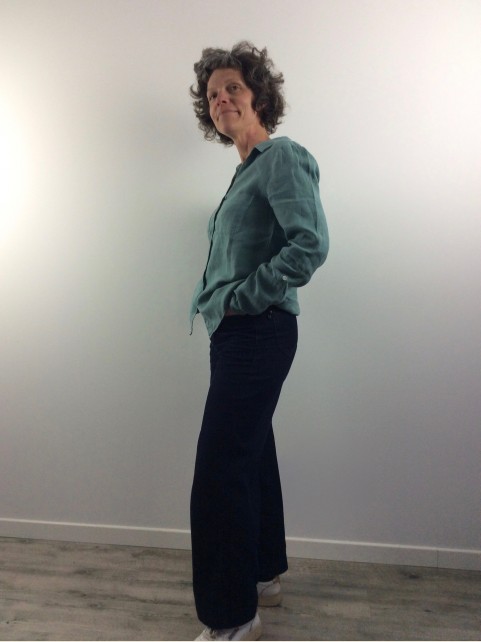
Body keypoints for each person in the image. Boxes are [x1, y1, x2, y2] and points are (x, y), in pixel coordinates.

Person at [189, 41, 329, 641]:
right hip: (238, 331)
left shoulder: (281, 157)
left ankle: (230, 617)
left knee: (220, 468)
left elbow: (309, 245)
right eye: (213, 93)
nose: (222, 98)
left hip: (258, 327)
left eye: (233, 88)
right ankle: (263, 573)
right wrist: (221, 307)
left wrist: (239, 298)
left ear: (258, 97)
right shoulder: (244, 171)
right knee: (251, 453)